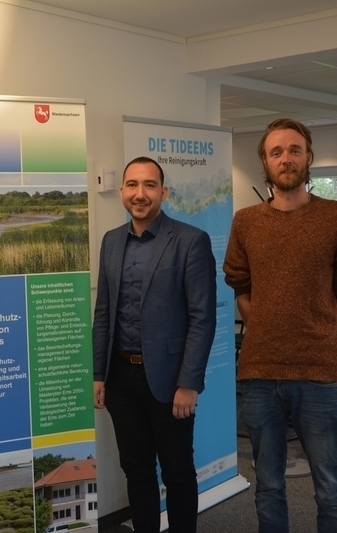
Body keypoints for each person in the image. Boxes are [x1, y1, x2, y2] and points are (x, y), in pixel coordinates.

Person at [223, 118, 337, 533]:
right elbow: (239, 283)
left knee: (330, 486)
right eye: (276, 152)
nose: (285, 158)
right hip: (260, 374)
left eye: (293, 150)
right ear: (265, 163)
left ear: (308, 157)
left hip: (321, 374)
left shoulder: (334, 217)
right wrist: (268, 326)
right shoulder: (246, 221)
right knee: (268, 484)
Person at [93, 156, 217, 533]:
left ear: (163, 192)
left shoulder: (189, 241)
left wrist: (189, 383)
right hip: (121, 379)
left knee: (178, 471)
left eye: (149, 186)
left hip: (170, 382)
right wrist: (99, 374)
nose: (140, 194)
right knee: (136, 469)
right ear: (122, 192)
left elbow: (202, 318)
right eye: (132, 185)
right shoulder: (112, 241)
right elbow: (103, 313)